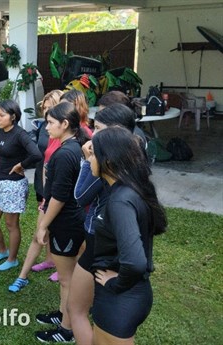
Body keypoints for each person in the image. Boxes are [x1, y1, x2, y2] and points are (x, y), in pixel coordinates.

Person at [69, 103, 144, 345]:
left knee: (80, 311)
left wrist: (87, 160)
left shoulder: (118, 193)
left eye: (98, 129)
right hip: (104, 249)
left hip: (104, 252)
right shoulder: (132, 173)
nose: (92, 134)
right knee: (78, 309)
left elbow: (80, 197)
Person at [89, 126, 166, 345]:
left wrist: (116, 285)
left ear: (109, 162)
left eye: (93, 153)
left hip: (120, 299)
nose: (89, 157)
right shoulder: (129, 189)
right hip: (127, 297)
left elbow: (134, 262)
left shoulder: (120, 201)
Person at [34, 101, 88, 343]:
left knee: (67, 279)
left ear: (65, 124)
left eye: (51, 123)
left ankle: (67, 330)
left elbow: (59, 196)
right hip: (69, 222)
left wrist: (43, 224)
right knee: (67, 277)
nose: (46, 128)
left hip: (66, 223)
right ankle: (62, 314)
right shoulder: (72, 147)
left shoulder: (66, 153)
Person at [11, 90, 63, 291]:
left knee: (48, 228)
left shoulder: (64, 133)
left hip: (56, 186)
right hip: (43, 183)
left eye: (51, 107)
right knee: (46, 228)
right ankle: (50, 260)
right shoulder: (44, 127)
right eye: (45, 108)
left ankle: (60, 266)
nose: (46, 111)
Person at [0, 99, 42, 271]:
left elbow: (36, 154)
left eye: (2, 115)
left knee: (11, 225)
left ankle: (12, 259)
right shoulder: (2, 132)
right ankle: (3, 251)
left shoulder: (20, 134)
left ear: (13, 116)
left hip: (14, 184)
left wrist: (21, 165)